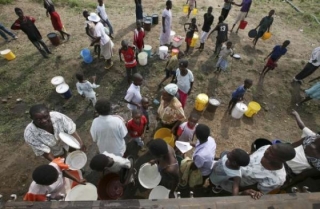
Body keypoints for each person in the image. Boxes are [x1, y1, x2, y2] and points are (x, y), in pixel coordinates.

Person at [221, 144, 296, 199]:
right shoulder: (267, 147)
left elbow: (256, 190)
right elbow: (251, 155)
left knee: (220, 194)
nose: (266, 151)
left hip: (232, 185)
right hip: (226, 169)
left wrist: (238, 191)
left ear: (281, 160)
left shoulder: (277, 179)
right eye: (269, 149)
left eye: (271, 153)